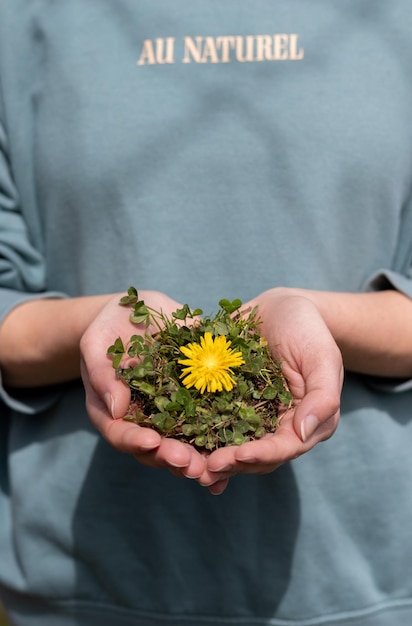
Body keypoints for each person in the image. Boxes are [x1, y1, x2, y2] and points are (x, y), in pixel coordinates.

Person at [1, 1, 412, 625]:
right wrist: (94, 326)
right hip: (85, 585)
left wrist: (318, 318)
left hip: (364, 581)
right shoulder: (21, 20)